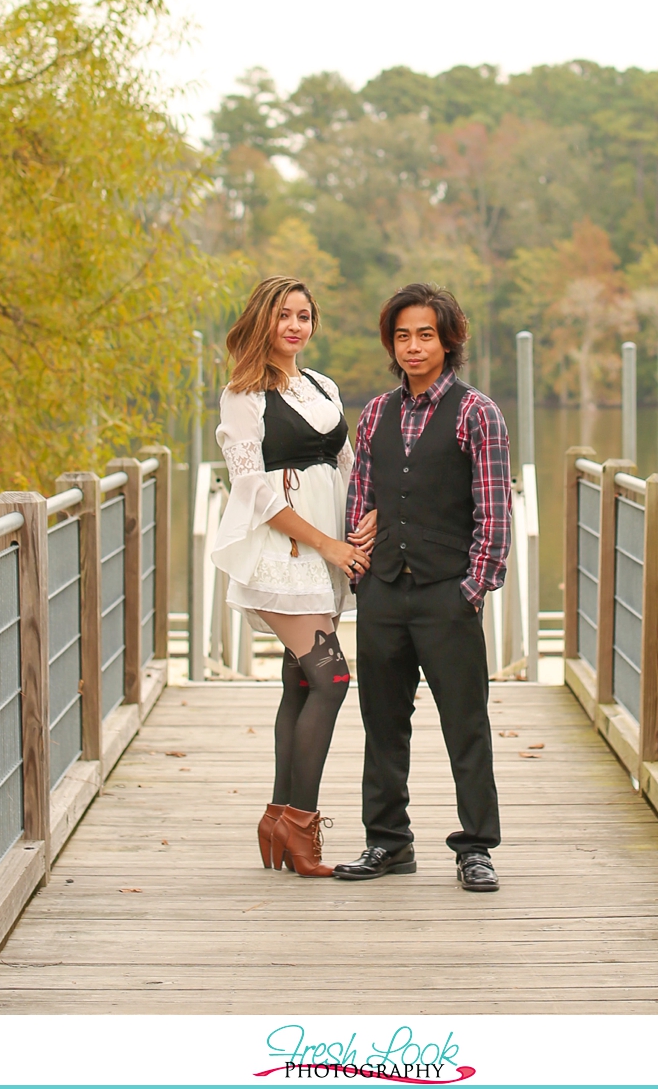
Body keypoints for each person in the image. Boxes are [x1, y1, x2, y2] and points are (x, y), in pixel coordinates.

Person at [334, 283, 510, 893]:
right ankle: (388, 843)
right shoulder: (377, 413)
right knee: (382, 722)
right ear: (392, 342)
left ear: (448, 340)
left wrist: (474, 587)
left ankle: (475, 847)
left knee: (466, 724)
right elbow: (363, 500)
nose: (413, 346)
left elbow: (493, 513)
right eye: (403, 335)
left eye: (425, 335)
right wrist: (360, 572)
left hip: (447, 593)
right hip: (383, 592)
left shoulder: (476, 413)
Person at [210, 276, 377, 877]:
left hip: (328, 547)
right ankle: (301, 826)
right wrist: (328, 545)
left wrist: (368, 514)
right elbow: (252, 491)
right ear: (263, 321)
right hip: (283, 552)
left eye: (304, 316)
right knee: (331, 680)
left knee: (302, 684)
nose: (295, 326)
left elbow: (347, 462)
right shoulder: (242, 395)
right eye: (284, 315)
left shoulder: (321, 386)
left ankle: (278, 815)